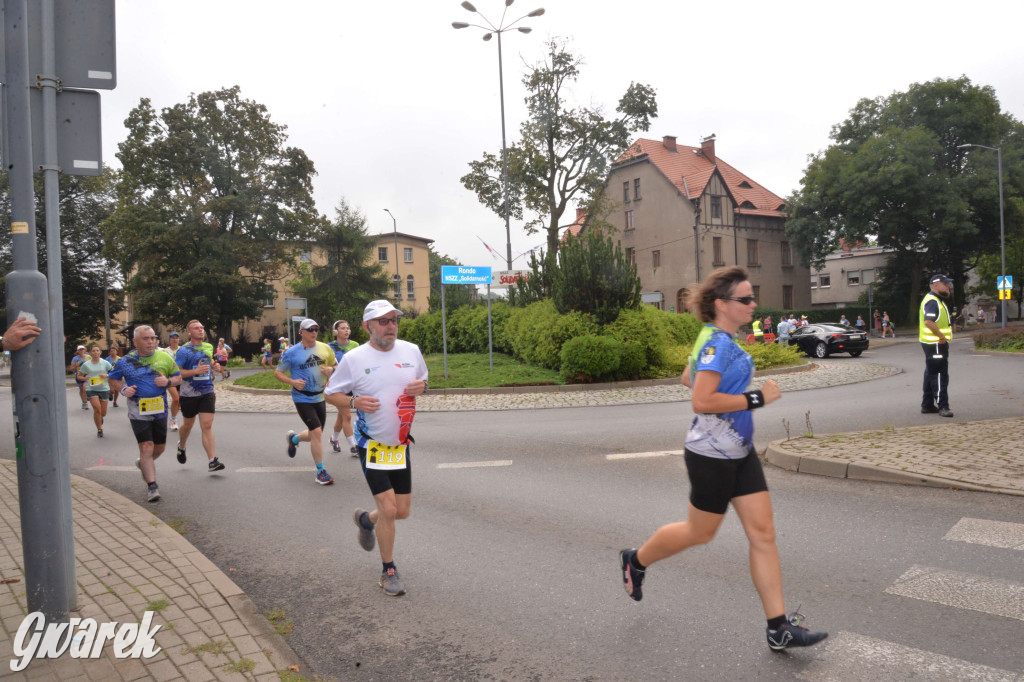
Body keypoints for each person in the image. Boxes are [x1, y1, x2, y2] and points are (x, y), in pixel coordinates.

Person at [617, 266, 827, 652]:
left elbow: (687, 377)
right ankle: (637, 559)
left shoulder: (713, 341)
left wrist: (725, 392)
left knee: (763, 534)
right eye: (745, 299)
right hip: (710, 456)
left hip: (740, 451)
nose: (753, 304)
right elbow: (700, 398)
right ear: (721, 305)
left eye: (751, 297)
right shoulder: (717, 344)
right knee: (699, 532)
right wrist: (756, 398)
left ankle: (778, 627)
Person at [325, 300, 428, 597]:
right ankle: (388, 571)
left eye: (393, 320)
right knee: (389, 508)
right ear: (367, 326)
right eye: (383, 321)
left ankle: (364, 520)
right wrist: (354, 402)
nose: (390, 326)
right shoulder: (355, 359)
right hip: (371, 444)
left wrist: (423, 388)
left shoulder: (411, 351)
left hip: (399, 444)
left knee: (402, 511)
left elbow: (423, 382)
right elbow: (331, 394)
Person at [108, 325, 182, 503]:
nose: (150, 342)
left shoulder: (164, 357)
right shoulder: (125, 361)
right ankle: (152, 486)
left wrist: (168, 381)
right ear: (135, 341)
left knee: (159, 448)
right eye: (145, 338)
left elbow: (178, 377)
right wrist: (124, 389)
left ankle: (143, 462)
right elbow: (112, 378)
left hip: (159, 408)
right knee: (147, 446)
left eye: (153, 338)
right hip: (137, 408)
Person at [275, 319, 337, 486]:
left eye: (316, 329)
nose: (314, 332)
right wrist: (292, 382)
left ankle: (294, 439)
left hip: (319, 396)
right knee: (316, 432)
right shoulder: (291, 353)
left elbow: (337, 366)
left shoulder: (325, 348)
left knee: (314, 433)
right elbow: (278, 373)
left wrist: (331, 370)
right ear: (301, 332)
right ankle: (321, 471)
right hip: (302, 397)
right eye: (310, 329)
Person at [174, 320, 226, 472]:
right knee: (188, 424)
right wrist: (195, 372)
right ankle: (181, 445)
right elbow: (178, 372)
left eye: (202, 328)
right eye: (196, 328)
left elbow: (208, 362)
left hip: (206, 390)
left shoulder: (209, 347)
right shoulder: (183, 351)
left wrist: (214, 366)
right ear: (189, 332)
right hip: (188, 393)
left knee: (207, 425)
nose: (201, 330)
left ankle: (212, 461)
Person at [920, 274, 954, 418]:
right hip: (936, 344)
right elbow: (929, 321)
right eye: (945, 284)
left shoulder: (935, 300)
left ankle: (927, 405)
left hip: (932, 344)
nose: (948, 286)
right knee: (940, 375)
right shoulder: (933, 301)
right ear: (935, 285)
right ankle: (943, 406)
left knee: (930, 373)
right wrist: (941, 336)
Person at [328, 319, 360, 455]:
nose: (346, 330)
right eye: (342, 328)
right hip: (337, 385)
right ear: (335, 331)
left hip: (352, 384)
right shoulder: (329, 347)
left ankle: (334, 439)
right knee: (346, 415)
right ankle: (353, 446)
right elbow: (326, 366)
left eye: (348, 328)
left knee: (342, 416)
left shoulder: (355, 345)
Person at [76, 345, 113, 437]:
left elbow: (113, 373)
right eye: (93, 351)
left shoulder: (105, 363)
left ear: (100, 352)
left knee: (103, 412)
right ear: (90, 353)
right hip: (91, 389)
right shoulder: (86, 364)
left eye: (97, 350)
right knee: (97, 409)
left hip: (104, 388)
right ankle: (99, 429)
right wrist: (85, 377)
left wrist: (106, 376)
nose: (96, 352)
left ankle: (100, 418)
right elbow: (79, 376)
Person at [162, 331, 183, 431]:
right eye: (173, 338)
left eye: (176, 338)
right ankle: (173, 420)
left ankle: (173, 417)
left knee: (179, 400)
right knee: (176, 399)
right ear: (169, 340)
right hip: (170, 378)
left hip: (180, 378)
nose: (175, 339)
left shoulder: (182, 350)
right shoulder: (165, 351)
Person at [69, 345, 89, 410]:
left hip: (86, 375)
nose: (81, 350)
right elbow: (71, 369)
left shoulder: (88, 357)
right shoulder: (75, 358)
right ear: (78, 351)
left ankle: (86, 401)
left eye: (83, 349)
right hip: (78, 376)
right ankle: (84, 402)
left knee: (84, 388)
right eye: (80, 349)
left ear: (85, 350)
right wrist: (76, 366)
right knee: (81, 390)